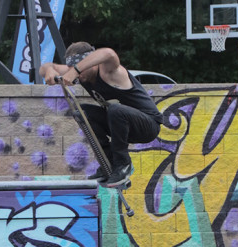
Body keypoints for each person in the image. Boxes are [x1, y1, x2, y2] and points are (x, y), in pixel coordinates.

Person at [39, 42, 163, 187]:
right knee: (82, 112)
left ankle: (122, 164)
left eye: (80, 69)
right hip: (120, 125)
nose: (78, 76)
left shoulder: (109, 70)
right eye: (73, 69)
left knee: (116, 110)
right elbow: (46, 66)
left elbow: (108, 53)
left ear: (91, 63)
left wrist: (77, 70)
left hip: (147, 125)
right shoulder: (75, 70)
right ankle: (108, 162)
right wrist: (49, 70)